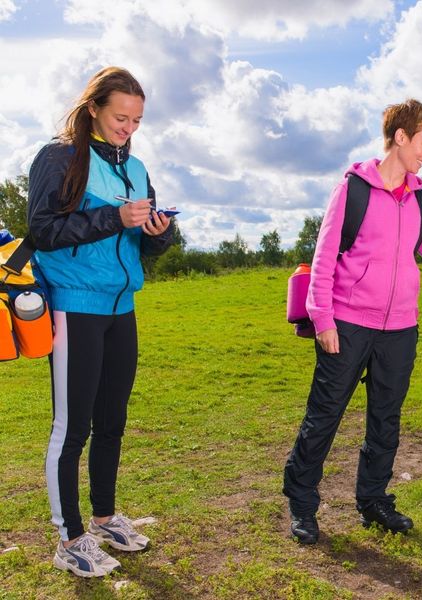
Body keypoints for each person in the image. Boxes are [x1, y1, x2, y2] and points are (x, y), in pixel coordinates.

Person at [283, 99, 422, 544]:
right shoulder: (353, 189)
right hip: (346, 323)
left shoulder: (421, 201)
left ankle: (374, 501)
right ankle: (303, 505)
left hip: (400, 328)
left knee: (386, 419)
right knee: (324, 416)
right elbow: (324, 257)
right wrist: (322, 318)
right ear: (400, 137)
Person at [27, 66, 174, 576]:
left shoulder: (136, 168)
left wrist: (157, 231)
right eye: (119, 117)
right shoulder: (60, 157)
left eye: (136, 120)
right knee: (73, 428)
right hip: (74, 306)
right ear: (94, 109)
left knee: (112, 420)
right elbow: (43, 231)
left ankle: (106, 518)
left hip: (122, 309)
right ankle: (69, 539)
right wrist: (115, 217)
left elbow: (144, 243)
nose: (127, 128)